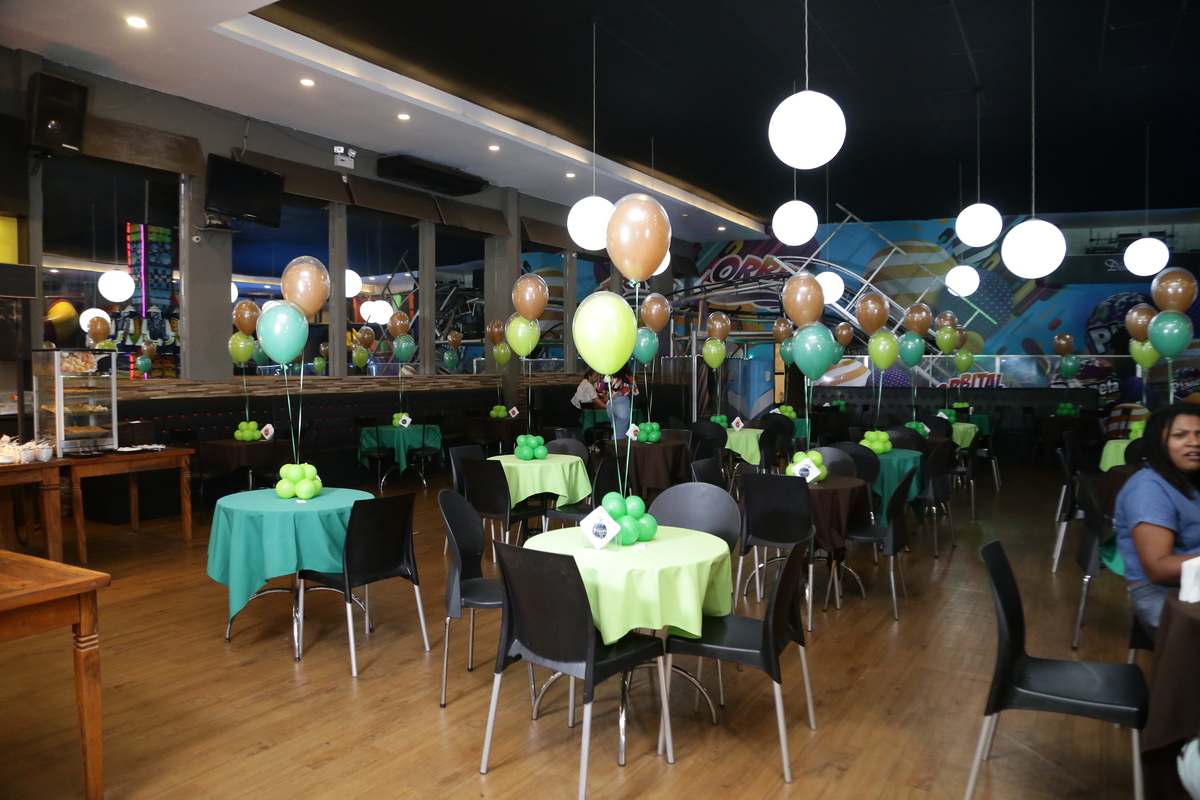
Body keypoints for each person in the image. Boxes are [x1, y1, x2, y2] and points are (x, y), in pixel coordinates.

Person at [1114, 402, 1200, 636]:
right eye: (1180, 435)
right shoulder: (1149, 488)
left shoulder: (1186, 480)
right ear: (1158, 444)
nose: (1194, 442)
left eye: (1199, 434)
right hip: (1166, 597)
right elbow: (1158, 569)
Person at [601, 367, 639, 440]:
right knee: (619, 436)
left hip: (610, 405)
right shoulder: (629, 378)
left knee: (617, 431)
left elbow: (599, 389)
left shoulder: (609, 377)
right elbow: (636, 392)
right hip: (622, 405)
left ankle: (614, 446)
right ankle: (614, 447)